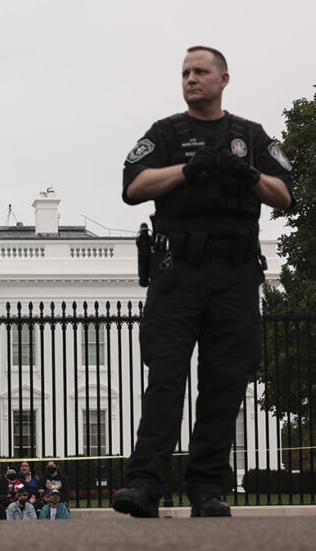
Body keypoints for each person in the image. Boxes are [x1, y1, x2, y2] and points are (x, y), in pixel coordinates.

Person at [115, 46, 294, 519]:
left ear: (224, 79)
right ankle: (145, 485)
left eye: (200, 72)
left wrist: (248, 172)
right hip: (178, 274)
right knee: (166, 380)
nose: (191, 79)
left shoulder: (250, 136)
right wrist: (187, 169)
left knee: (225, 383)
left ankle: (207, 488)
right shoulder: (167, 133)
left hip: (234, 274)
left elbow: (285, 195)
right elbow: (134, 186)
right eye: (184, 73)